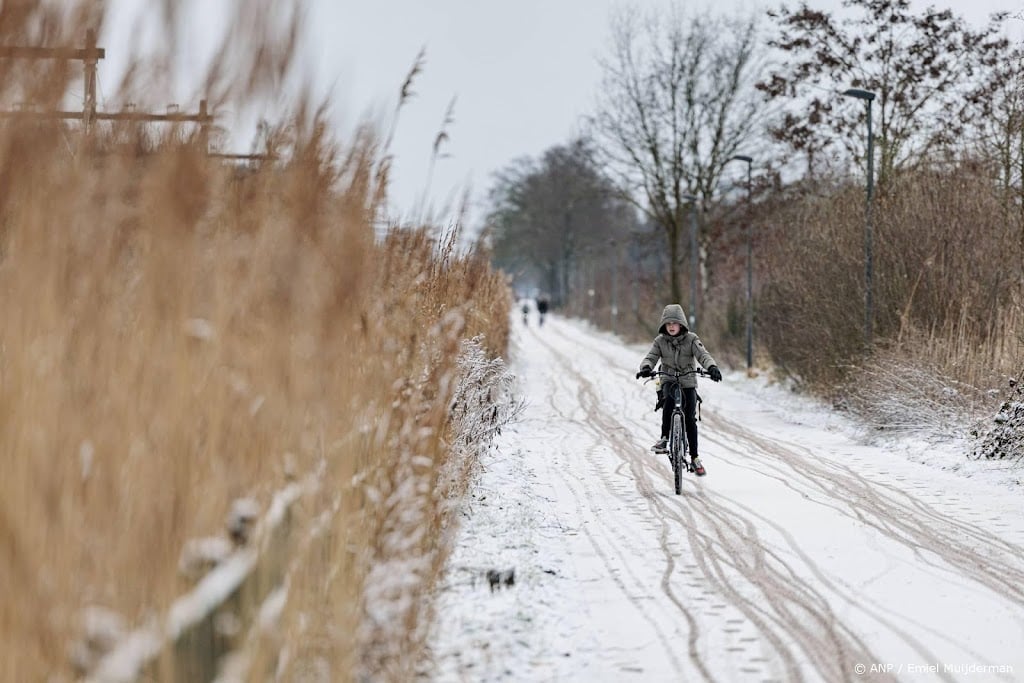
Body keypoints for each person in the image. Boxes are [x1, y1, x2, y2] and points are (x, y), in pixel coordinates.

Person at [635, 304, 722, 476]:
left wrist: (712, 367)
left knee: (689, 418)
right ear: (664, 325)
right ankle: (665, 439)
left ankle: (695, 458)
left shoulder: (691, 339)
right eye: (668, 323)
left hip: (688, 381)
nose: (672, 326)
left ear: (681, 324)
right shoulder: (660, 341)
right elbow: (651, 356)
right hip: (668, 379)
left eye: (675, 323)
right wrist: (646, 367)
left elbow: (703, 355)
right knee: (668, 403)